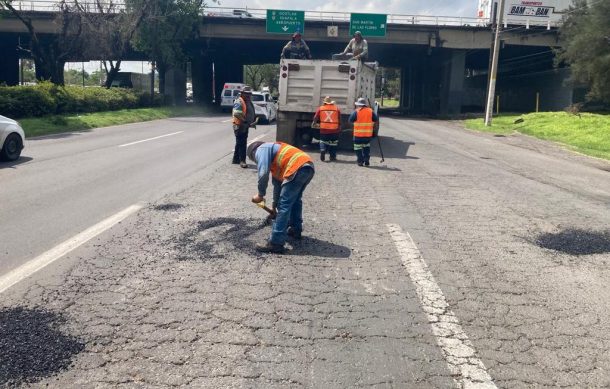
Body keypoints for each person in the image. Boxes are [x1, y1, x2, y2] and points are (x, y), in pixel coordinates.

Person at [247, 141, 315, 253]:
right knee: (295, 201)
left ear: (253, 153)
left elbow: (263, 173)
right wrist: (274, 206)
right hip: (307, 167)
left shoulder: (262, 149)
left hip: (297, 167)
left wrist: (260, 195)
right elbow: (277, 186)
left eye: (254, 159)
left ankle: (276, 243)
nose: (256, 161)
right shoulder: (277, 159)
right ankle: (295, 229)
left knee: (284, 205)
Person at [349, 97, 379, 167]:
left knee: (357, 149)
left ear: (359, 105)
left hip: (358, 136)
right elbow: (375, 120)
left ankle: (360, 161)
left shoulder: (356, 112)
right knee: (366, 148)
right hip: (367, 136)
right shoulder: (370, 111)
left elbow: (350, 120)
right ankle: (366, 159)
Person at [232, 86, 255, 168]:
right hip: (239, 125)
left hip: (244, 125)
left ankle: (235, 159)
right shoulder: (239, 101)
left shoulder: (247, 101)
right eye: (246, 94)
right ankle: (242, 161)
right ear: (242, 93)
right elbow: (237, 114)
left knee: (239, 142)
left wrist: (251, 121)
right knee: (242, 143)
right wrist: (245, 121)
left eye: (249, 94)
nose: (248, 96)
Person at [312, 96, 341, 162]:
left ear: (324, 102)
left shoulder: (321, 108)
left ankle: (323, 150)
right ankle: (332, 157)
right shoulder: (336, 109)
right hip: (334, 129)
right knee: (333, 143)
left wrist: (314, 123)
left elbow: (315, 117)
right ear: (331, 102)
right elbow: (339, 118)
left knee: (323, 141)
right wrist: (339, 126)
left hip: (324, 129)